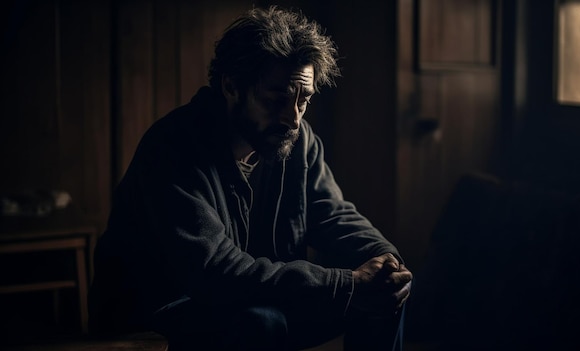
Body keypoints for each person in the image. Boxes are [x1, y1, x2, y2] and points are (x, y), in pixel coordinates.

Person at [88, 5, 413, 351]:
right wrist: (345, 283)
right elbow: (214, 271)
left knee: (384, 295)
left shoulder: (297, 141)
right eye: (276, 99)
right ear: (231, 86)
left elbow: (334, 215)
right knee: (260, 321)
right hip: (158, 311)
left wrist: (386, 261)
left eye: (303, 99)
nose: (293, 118)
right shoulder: (172, 148)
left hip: (256, 295)